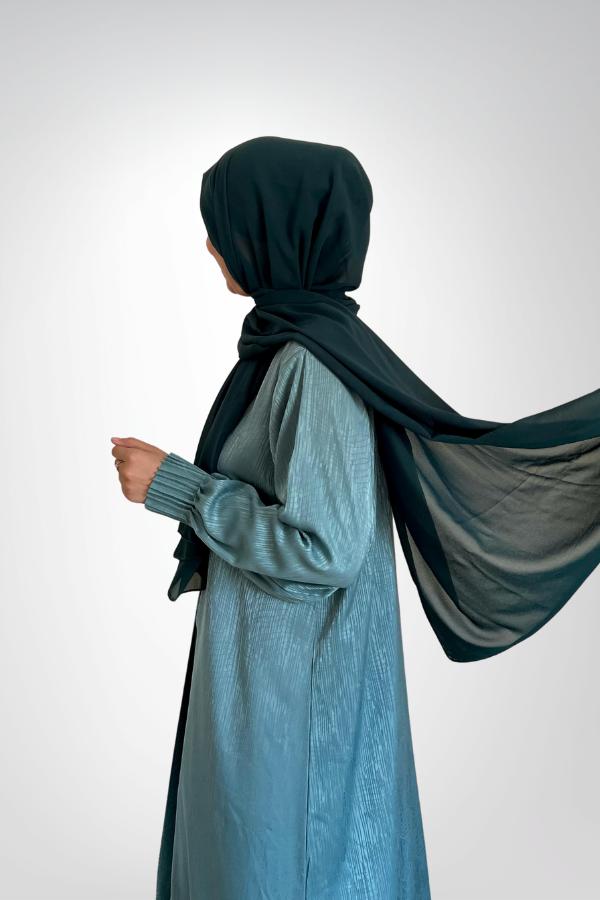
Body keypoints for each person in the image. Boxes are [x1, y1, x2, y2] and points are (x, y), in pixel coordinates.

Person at [111, 136, 600, 900]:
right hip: (274, 681)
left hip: (293, 696)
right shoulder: (292, 351)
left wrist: (178, 487)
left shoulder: (311, 368)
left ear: (278, 233)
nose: (211, 245)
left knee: (286, 867)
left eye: (226, 225)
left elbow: (326, 550)